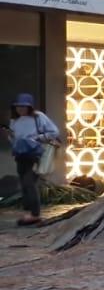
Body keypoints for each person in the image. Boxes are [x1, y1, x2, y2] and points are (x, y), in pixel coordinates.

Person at [4, 93, 61, 226]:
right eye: (19, 107)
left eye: (24, 106)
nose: (21, 109)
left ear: (30, 107)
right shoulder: (14, 121)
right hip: (20, 155)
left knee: (29, 183)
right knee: (24, 185)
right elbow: (15, 140)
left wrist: (38, 138)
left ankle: (34, 213)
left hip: (35, 154)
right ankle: (29, 213)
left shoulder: (38, 117)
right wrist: (10, 136)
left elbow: (54, 132)